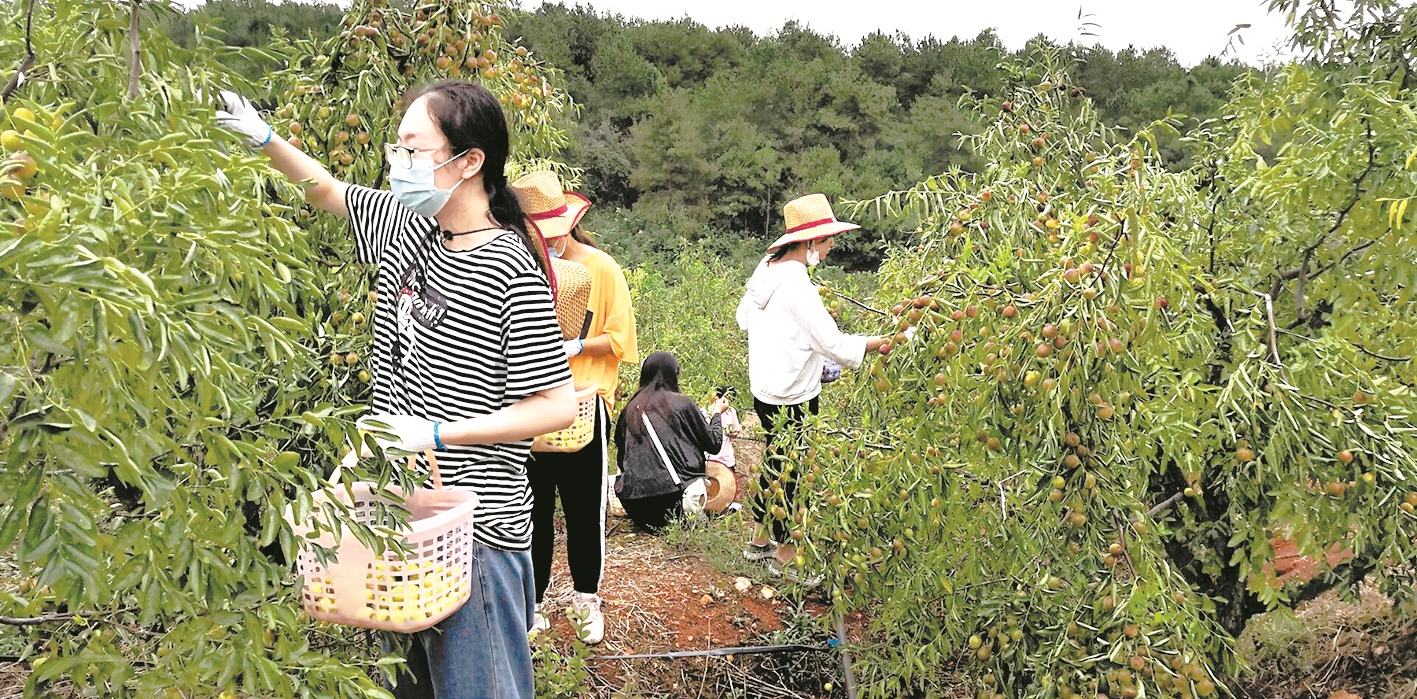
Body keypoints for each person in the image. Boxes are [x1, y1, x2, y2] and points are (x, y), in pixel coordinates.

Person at [215, 81, 576, 699]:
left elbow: (555, 405)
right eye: (397, 147)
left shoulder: (510, 267)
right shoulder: (404, 227)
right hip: (391, 523)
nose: (398, 164)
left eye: (412, 149)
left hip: (476, 531)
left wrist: (437, 432)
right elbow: (327, 189)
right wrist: (266, 139)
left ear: (468, 162)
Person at [511, 171, 637, 645]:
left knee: (585, 509)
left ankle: (586, 598)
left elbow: (621, 340)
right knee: (531, 509)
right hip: (532, 404)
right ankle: (534, 600)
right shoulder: (516, 266)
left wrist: (574, 345)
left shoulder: (600, 269)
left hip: (586, 403)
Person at [735, 193, 888, 584]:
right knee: (792, 472)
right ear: (808, 243)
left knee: (775, 459)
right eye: (826, 239)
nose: (832, 245)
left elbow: (744, 319)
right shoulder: (798, 285)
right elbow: (835, 344)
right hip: (794, 397)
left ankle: (759, 539)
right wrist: (888, 340)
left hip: (766, 387)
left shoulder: (766, 269)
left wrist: (796, 346)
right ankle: (785, 558)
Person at [613, 352, 730, 531]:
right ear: (674, 375)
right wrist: (716, 413)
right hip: (675, 501)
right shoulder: (682, 404)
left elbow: (622, 461)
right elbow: (714, 444)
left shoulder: (629, 410)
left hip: (635, 506)